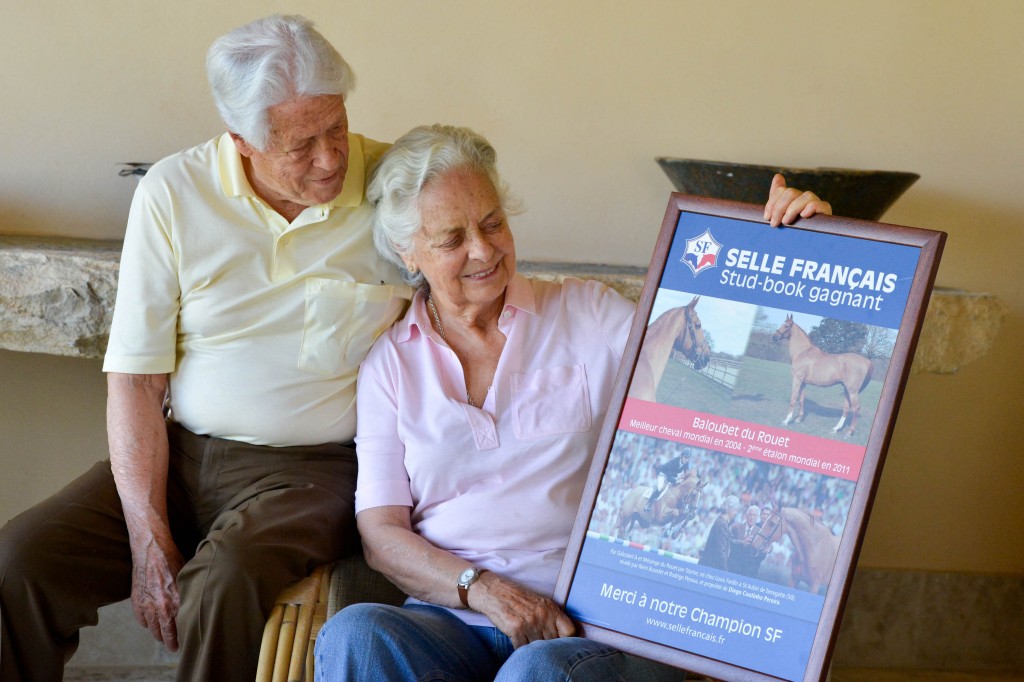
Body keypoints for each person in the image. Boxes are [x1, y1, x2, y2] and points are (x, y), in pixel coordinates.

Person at [312, 124, 831, 680]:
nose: (483, 250)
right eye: (452, 238)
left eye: (493, 223)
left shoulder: (590, 314)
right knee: (356, 635)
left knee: (537, 672)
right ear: (405, 250)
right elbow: (383, 536)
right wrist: (483, 591)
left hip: (587, 624)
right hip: (452, 618)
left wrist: (793, 241)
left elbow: (694, 363)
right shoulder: (389, 365)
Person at [0, 15, 409, 682]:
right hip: (182, 452)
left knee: (222, 583)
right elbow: (136, 381)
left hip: (313, 470)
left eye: (336, 127)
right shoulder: (173, 191)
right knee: (17, 561)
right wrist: (147, 539)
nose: (332, 157)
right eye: (301, 145)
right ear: (242, 141)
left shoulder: (394, 184)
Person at [699, 495, 743, 571]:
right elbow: (720, 552)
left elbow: (727, 540)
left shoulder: (721, 521)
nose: (736, 513)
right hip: (711, 567)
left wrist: (742, 543)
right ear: (730, 509)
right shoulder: (723, 524)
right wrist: (725, 571)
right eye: (736, 510)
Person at [644, 447, 693, 511]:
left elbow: (687, 474)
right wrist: (676, 481)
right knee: (660, 488)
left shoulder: (686, 463)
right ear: (681, 456)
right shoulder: (674, 462)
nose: (687, 459)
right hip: (663, 474)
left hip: (672, 476)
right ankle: (648, 503)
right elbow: (668, 476)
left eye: (688, 458)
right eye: (685, 457)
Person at [728, 505, 767, 578]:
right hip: (733, 565)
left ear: (757, 518)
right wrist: (742, 542)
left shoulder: (759, 532)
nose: (752, 517)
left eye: (754, 515)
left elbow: (761, 549)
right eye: (750, 515)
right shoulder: (736, 527)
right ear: (746, 516)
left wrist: (767, 549)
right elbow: (729, 541)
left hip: (748, 570)